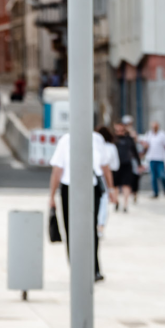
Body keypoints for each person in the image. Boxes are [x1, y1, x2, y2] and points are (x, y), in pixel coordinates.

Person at [48, 129, 116, 282]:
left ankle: (94, 268)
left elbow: (105, 166)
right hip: (69, 187)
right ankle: (77, 268)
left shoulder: (96, 139)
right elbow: (58, 170)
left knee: (91, 229)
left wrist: (111, 188)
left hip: (90, 187)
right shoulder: (66, 139)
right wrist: (52, 196)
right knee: (71, 229)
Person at [96, 125, 120, 236]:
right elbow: (113, 166)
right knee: (103, 202)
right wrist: (111, 188)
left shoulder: (94, 145)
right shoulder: (110, 147)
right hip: (103, 177)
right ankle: (100, 227)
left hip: (92, 176)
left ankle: (96, 225)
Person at [112, 121, 137, 213]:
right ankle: (116, 201)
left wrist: (138, 163)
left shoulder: (128, 138)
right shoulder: (113, 138)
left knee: (126, 184)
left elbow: (134, 151)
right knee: (115, 185)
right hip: (115, 165)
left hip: (126, 164)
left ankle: (125, 204)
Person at [141, 121, 165, 198]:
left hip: (160, 158)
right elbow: (145, 145)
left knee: (162, 175)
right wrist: (143, 153)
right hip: (151, 158)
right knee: (153, 177)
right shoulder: (148, 134)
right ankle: (155, 192)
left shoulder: (162, 135)